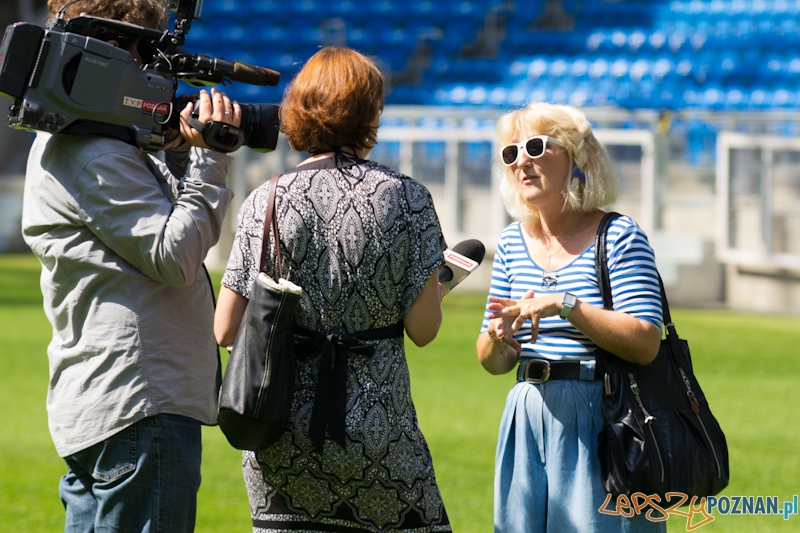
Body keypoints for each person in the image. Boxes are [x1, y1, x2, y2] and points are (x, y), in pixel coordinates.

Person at [21, 1, 242, 531]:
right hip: (139, 405)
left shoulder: (76, 139)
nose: (150, 69)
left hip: (110, 404)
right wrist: (213, 160)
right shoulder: (96, 151)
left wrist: (179, 157)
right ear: (109, 48)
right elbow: (176, 257)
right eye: (146, 50)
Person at [214, 47, 452, 532]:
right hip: (379, 430)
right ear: (371, 112)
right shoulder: (409, 198)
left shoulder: (267, 198)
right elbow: (423, 330)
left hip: (279, 432)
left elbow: (225, 329)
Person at [475, 102, 665, 533]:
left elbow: (646, 342)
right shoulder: (509, 242)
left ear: (577, 157)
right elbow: (492, 361)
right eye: (510, 153)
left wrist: (566, 305)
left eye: (537, 147)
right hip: (525, 411)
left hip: (601, 415)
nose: (521, 161)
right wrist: (497, 338)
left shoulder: (617, 235)